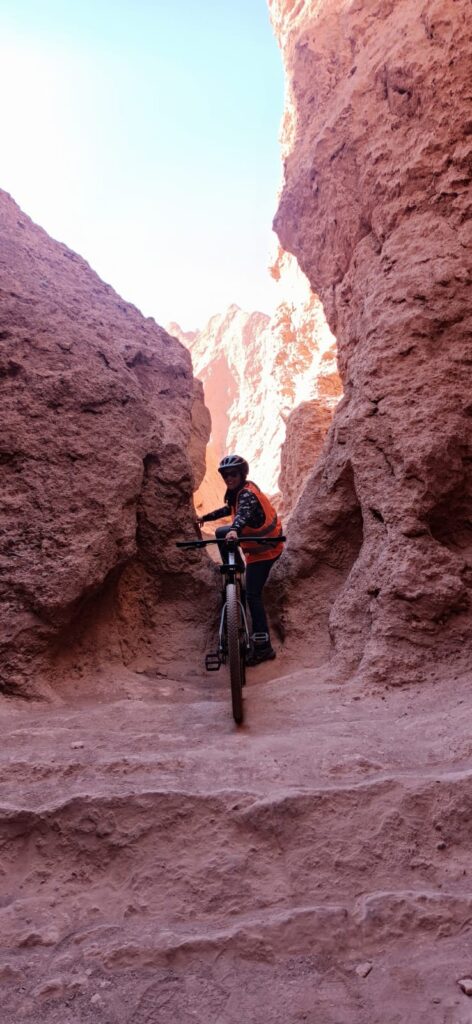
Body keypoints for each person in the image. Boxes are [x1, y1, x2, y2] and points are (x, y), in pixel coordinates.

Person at [197, 454, 284, 665]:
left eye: (233, 474)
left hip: (266, 552)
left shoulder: (246, 495)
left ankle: (264, 647)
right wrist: (205, 518)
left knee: (253, 595)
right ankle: (234, 568)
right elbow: (230, 510)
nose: (229, 478)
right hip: (258, 550)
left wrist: (235, 530)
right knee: (220, 531)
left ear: (242, 474)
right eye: (226, 475)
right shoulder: (238, 493)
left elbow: (242, 514)